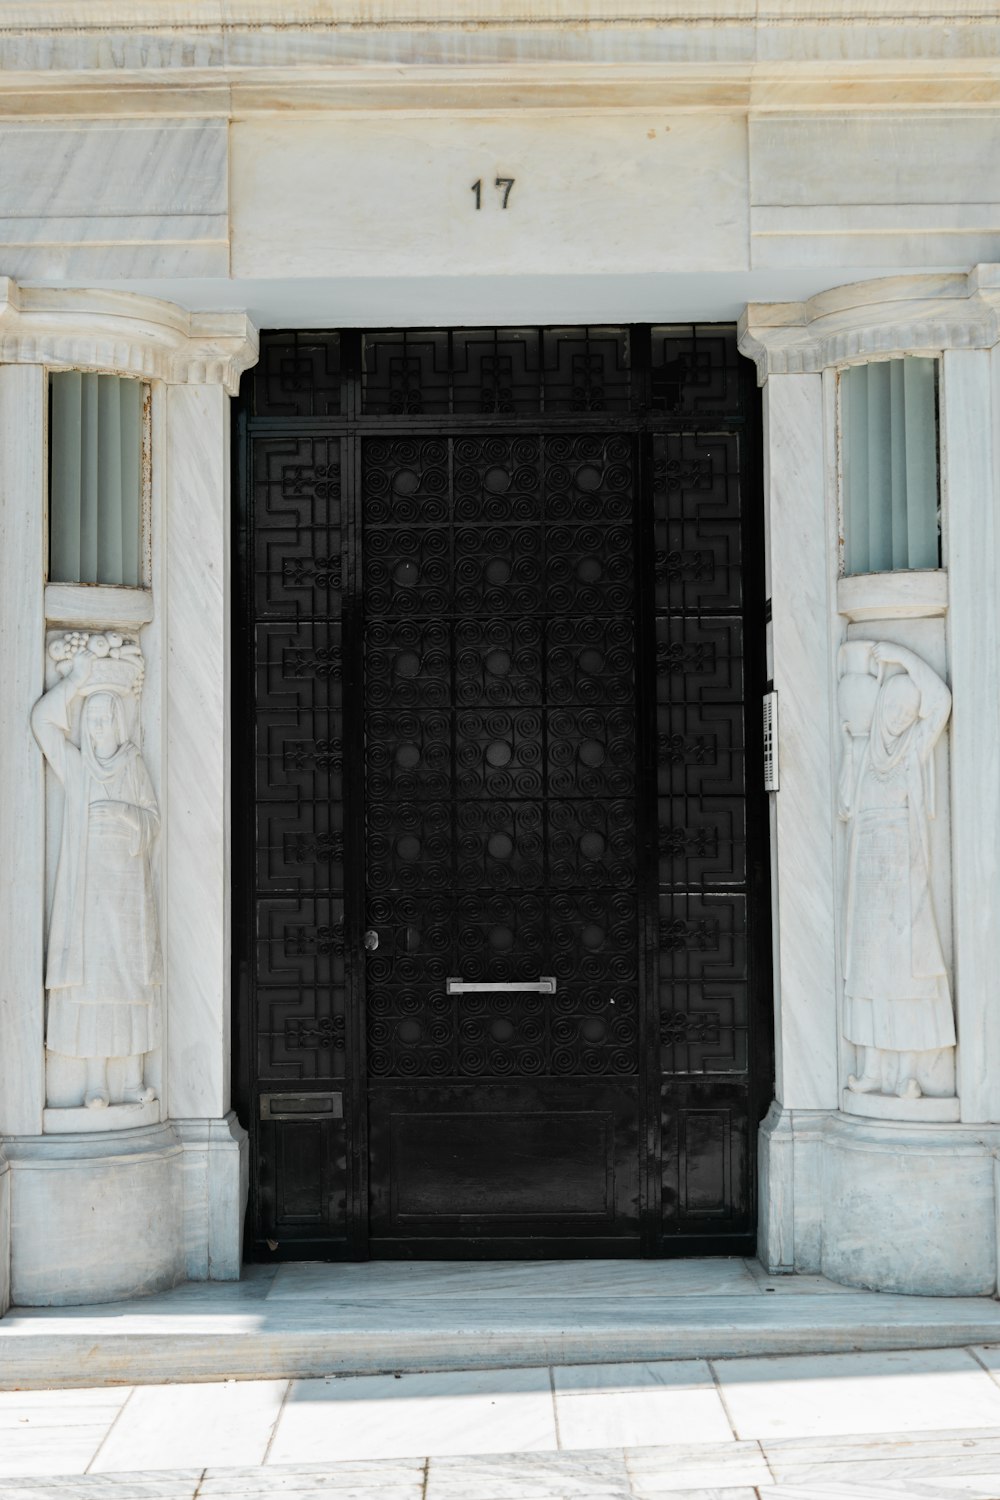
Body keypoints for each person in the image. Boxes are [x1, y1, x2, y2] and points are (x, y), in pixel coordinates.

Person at [32, 636, 161, 1110]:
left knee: (126, 982)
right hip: (87, 895)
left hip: (126, 897)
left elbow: (153, 821)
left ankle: (129, 1081)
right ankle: (95, 1083)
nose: (98, 727)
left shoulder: (133, 766)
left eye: (106, 719)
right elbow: (42, 722)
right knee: (93, 983)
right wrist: (74, 681)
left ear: (119, 723)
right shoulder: (78, 768)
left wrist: (127, 817)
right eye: (92, 720)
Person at [839, 640, 954, 1101]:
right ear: (883, 703)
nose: (903, 716)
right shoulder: (865, 749)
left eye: (910, 709)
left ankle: (909, 1073)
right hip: (868, 876)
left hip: (904, 877)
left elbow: (941, 700)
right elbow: (847, 804)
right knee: (869, 975)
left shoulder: (915, 749)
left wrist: (900, 656)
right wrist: (851, 748)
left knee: (907, 976)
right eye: (898, 706)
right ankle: (871, 1069)